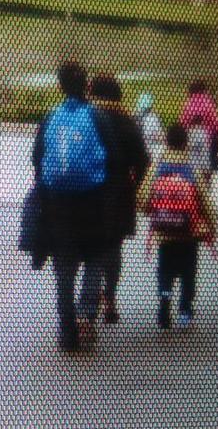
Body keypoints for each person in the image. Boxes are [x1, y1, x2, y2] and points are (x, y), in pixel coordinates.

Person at [32, 61, 113, 352]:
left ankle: (67, 328)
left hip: (58, 205)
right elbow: (113, 157)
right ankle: (86, 315)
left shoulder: (51, 117)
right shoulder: (97, 117)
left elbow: (37, 157)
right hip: (91, 202)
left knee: (64, 267)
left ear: (60, 87)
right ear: (87, 86)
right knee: (93, 257)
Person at [140, 124, 216, 330]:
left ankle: (164, 302)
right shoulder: (191, 169)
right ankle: (185, 310)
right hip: (189, 232)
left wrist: (153, 211)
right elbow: (206, 202)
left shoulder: (157, 167)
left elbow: (143, 198)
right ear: (185, 144)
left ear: (167, 142)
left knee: (164, 271)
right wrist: (211, 227)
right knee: (188, 272)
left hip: (164, 233)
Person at [87, 74, 149, 325]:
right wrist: (133, 187)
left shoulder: (87, 117)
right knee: (112, 248)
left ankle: (86, 306)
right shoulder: (127, 121)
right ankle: (110, 298)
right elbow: (143, 161)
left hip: (88, 193)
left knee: (90, 249)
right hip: (119, 194)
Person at [180, 80, 218, 173]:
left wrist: (182, 136)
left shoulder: (188, 104)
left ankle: (194, 179)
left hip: (191, 136)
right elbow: (216, 122)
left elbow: (183, 122)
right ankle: (206, 179)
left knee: (192, 160)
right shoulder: (208, 103)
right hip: (208, 137)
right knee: (206, 163)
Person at [135, 92, 164, 161]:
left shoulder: (135, 117)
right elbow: (159, 136)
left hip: (138, 150)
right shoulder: (153, 117)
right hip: (152, 151)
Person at [187, 115, 212, 183]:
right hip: (200, 170)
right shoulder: (203, 134)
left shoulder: (189, 133)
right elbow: (205, 153)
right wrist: (207, 169)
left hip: (189, 169)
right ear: (201, 122)